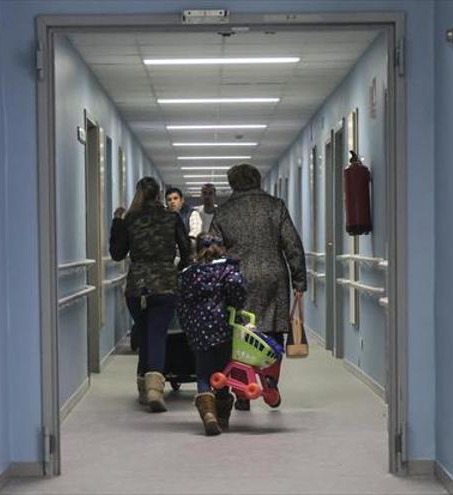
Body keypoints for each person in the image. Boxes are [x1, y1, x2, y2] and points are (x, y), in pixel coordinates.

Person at [209, 163, 307, 411]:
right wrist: (299, 280)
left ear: (232, 184)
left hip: (237, 277)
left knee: (239, 333)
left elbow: (212, 251)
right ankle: (270, 381)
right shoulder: (276, 206)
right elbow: (292, 245)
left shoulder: (224, 213)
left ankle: (242, 391)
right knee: (271, 330)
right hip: (273, 276)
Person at [110, 177, 192, 412]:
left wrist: (117, 221)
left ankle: (143, 387)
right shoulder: (171, 217)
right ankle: (154, 389)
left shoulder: (130, 219)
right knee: (156, 334)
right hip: (165, 284)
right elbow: (186, 250)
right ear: (158, 195)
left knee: (145, 333)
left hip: (137, 286)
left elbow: (117, 253)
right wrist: (176, 270)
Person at [178, 234, 246, 435]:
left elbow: (181, 303)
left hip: (199, 330)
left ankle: (208, 414)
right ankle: (223, 417)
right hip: (223, 328)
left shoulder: (189, 274)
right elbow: (238, 293)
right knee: (223, 372)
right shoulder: (228, 270)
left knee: (203, 373)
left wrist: (187, 327)